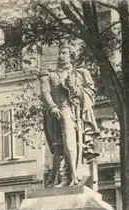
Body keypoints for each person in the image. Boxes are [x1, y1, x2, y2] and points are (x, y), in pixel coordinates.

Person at [40, 42, 100, 188]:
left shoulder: (79, 73)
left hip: (69, 109)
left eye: (64, 53)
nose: (61, 56)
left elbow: (87, 94)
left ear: (71, 56)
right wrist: (52, 106)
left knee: (68, 137)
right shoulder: (49, 73)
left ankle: (73, 174)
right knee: (56, 147)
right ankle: (63, 177)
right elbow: (45, 92)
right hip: (53, 111)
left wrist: (74, 88)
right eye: (60, 53)